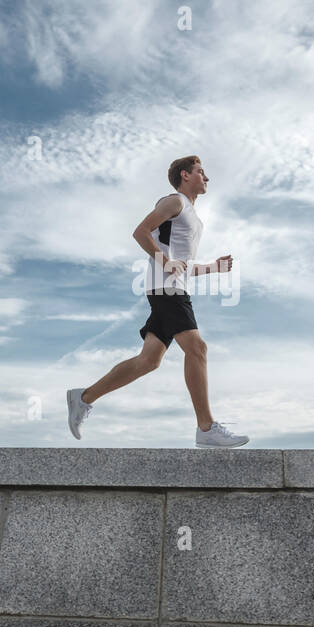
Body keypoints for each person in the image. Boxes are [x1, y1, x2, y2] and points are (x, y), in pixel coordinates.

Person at [67, 155, 249, 447]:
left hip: (172, 287)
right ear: (185, 175)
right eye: (201, 172)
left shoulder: (193, 218)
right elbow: (140, 232)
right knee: (197, 348)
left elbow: (182, 265)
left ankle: (83, 397)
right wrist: (164, 261)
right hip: (166, 289)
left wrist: (213, 268)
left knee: (149, 360)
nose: (207, 177)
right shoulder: (174, 202)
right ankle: (206, 428)